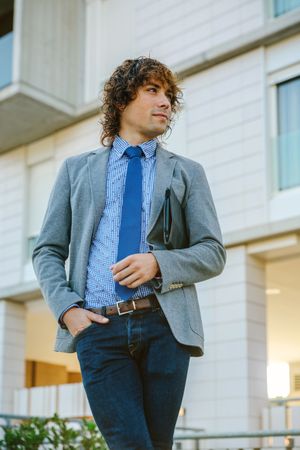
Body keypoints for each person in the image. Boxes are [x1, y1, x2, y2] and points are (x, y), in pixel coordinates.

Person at [32, 56, 226, 450]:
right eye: (153, 91)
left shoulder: (187, 172)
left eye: (169, 95)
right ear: (122, 101)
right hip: (98, 329)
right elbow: (48, 249)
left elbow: (212, 252)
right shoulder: (76, 170)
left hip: (165, 327)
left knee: (157, 444)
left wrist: (160, 263)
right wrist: (68, 311)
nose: (166, 102)